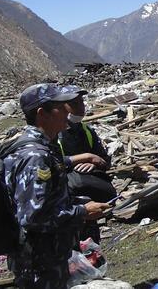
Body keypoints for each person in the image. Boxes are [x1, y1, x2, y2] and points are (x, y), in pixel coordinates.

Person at [3, 83, 110, 288]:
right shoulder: (35, 156)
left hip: (50, 255)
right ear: (43, 113)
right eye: (61, 107)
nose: (67, 111)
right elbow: (34, 216)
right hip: (38, 261)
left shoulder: (45, 148)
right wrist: (81, 212)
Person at [58, 85, 117, 243]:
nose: (80, 108)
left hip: (90, 200)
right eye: (74, 104)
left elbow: (104, 160)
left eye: (81, 102)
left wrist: (95, 164)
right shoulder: (55, 134)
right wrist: (82, 159)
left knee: (90, 249)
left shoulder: (87, 131)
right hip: (66, 205)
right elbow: (49, 165)